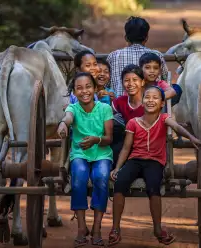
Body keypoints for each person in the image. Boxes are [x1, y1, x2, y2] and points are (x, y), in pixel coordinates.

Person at [108, 86, 201, 246]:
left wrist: (191, 137)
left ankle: (158, 229)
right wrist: (118, 168)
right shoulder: (133, 122)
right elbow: (126, 148)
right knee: (120, 183)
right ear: (142, 102)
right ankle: (115, 229)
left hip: (154, 162)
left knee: (154, 187)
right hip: (134, 160)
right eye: (147, 97)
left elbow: (176, 126)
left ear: (161, 103)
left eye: (155, 98)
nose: (150, 100)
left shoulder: (163, 118)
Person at [57, 72, 113, 247]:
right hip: (80, 154)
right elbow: (67, 118)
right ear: (74, 92)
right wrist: (63, 124)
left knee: (101, 178)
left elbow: (109, 138)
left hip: (102, 153)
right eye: (79, 88)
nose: (84, 91)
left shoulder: (105, 108)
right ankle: (81, 227)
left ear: (95, 88)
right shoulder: (73, 108)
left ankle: (96, 228)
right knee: (79, 176)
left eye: (88, 87)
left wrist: (96, 140)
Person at [107, 16, 168, 97]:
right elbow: (165, 79)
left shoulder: (113, 56)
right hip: (150, 105)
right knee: (176, 88)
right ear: (146, 38)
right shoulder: (157, 55)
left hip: (118, 105)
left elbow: (106, 84)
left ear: (126, 38)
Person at [111, 64, 145, 166]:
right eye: (126, 80)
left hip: (144, 145)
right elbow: (105, 117)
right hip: (125, 144)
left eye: (135, 80)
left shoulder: (149, 102)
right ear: (122, 83)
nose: (131, 84)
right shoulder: (119, 102)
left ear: (142, 82)